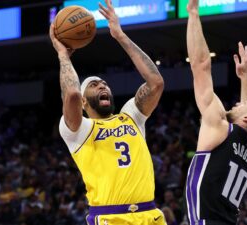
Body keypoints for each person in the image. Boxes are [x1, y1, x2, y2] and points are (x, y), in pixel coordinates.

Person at [49, 0, 166, 224]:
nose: (102, 86)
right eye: (94, 85)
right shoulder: (78, 130)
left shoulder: (131, 116)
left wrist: (120, 36)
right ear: (84, 102)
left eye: (104, 83)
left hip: (150, 215)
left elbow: (156, 83)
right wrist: (63, 54)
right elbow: (72, 94)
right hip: (110, 217)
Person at [185, 0, 247, 225]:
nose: (238, 104)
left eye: (243, 105)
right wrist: (245, 79)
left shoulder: (219, 126)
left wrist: (192, 13)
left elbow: (200, 66)